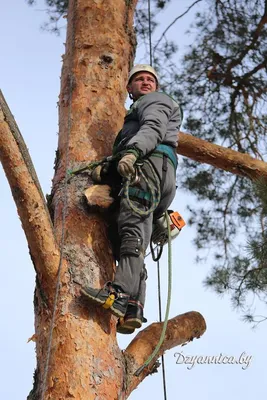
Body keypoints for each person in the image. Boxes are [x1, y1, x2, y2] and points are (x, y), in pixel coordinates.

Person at [81, 64, 182, 334]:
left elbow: (154, 127)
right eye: (139, 79)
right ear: (129, 88)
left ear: (156, 87)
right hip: (155, 170)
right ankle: (134, 307)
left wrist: (133, 153)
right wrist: (108, 169)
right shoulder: (138, 112)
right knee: (128, 231)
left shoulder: (155, 101)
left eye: (150, 79)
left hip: (150, 165)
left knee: (132, 227)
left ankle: (119, 294)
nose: (146, 82)